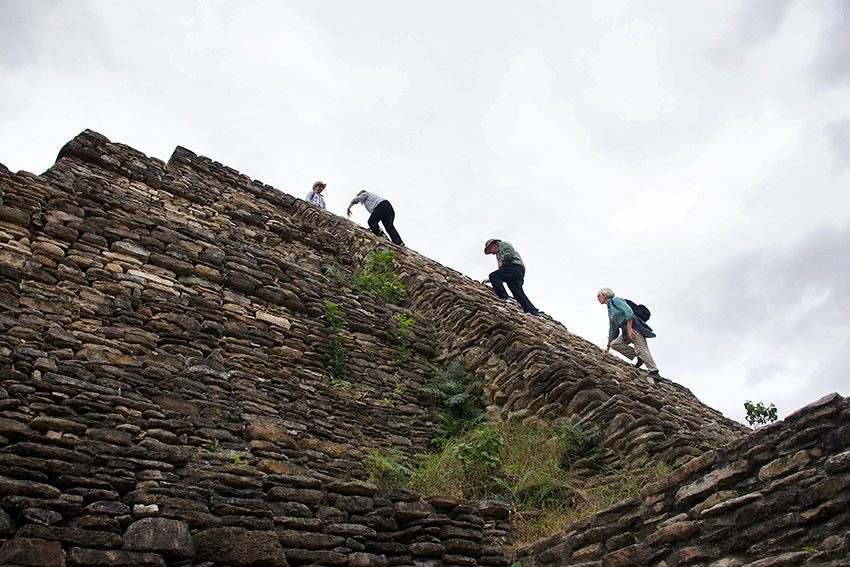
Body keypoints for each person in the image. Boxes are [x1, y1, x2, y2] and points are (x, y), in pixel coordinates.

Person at [597, 287, 659, 378]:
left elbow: (629, 312)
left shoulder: (616, 300)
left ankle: (654, 372)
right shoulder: (610, 308)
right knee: (615, 344)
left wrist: (630, 328)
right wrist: (608, 346)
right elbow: (612, 329)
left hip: (634, 327)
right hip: (626, 331)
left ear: (605, 295)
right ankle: (639, 357)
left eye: (599, 296)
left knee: (641, 348)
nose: (597, 298)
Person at [481, 239, 540, 317]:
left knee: (494, 275)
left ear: (493, 245)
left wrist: (501, 260)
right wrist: (490, 280)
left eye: (490, 250)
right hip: (515, 271)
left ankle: (504, 297)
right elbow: (502, 271)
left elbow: (510, 251)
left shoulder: (502, 244)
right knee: (518, 293)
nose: (491, 253)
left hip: (514, 267)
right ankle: (533, 312)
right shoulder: (498, 253)